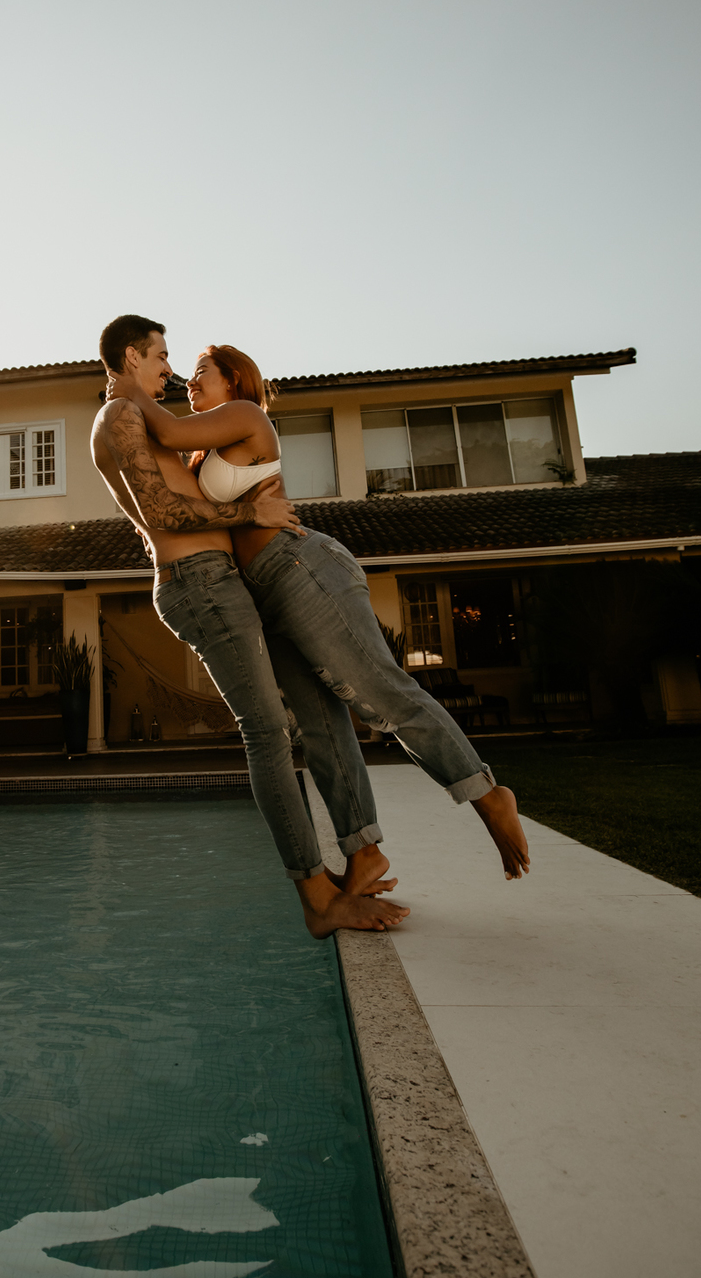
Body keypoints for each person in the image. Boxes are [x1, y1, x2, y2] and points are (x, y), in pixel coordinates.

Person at [111, 338, 531, 886]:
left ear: (235, 380)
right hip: (262, 595)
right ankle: (362, 852)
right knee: (319, 728)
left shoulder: (244, 415)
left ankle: (485, 793)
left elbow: (162, 429)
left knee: (378, 689)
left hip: (300, 569)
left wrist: (126, 389)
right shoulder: (203, 451)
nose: (188, 382)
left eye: (200, 371)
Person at [92, 314, 409, 937]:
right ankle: (317, 898)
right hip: (198, 583)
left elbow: (187, 478)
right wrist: (249, 507)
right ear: (132, 356)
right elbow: (159, 509)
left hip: (218, 580)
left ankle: (359, 852)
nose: (169, 368)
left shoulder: (144, 419)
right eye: (160, 356)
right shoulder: (118, 418)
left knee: (309, 712)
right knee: (266, 734)